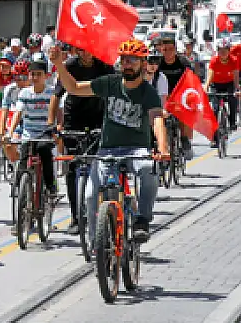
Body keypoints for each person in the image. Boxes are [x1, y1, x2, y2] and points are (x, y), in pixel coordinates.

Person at [51, 40, 169, 243]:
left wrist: (162, 148)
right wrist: (59, 64)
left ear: (142, 63)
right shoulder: (110, 83)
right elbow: (74, 87)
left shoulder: (148, 92)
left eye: (132, 60)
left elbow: (157, 120)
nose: (127, 64)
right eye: (124, 60)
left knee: (149, 169)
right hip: (107, 151)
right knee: (90, 195)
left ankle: (142, 220)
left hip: (137, 150)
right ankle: (96, 243)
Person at [51, 46, 113, 233]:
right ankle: (76, 217)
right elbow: (57, 94)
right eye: (81, 51)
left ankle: (101, 210)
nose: (86, 54)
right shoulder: (70, 65)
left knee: (100, 164)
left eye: (88, 50)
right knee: (72, 168)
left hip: (98, 117)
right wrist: (51, 123)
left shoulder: (105, 67)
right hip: (73, 118)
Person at [5, 55, 58, 201]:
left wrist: (58, 129)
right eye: (32, 74)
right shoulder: (25, 93)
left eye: (38, 74)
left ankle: (50, 186)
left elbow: (59, 113)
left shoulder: (52, 93)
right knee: (23, 157)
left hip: (45, 134)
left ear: (46, 76)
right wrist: (10, 132)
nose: (35, 77)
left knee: (44, 151)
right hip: (29, 134)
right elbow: (18, 113)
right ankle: (21, 186)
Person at [156, 35, 195, 158]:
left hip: (181, 95)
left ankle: (184, 139)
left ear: (175, 50)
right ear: (161, 50)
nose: (167, 52)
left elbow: (191, 80)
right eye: (165, 49)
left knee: (185, 113)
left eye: (170, 49)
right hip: (163, 95)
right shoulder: (157, 63)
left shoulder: (183, 62)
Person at [207, 38, 240, 141]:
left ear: (229, 50)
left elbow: (235, 76)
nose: (223, 53)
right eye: (220, 50)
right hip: (216, 85)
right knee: (215, 109)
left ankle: (233, 122)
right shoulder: (214, 61)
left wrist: (237, 88)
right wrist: (205, 87)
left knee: (233, 99)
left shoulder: (233, 60)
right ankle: (214, 138)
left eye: (225, 50)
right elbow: (210, 75)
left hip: (229, 84)